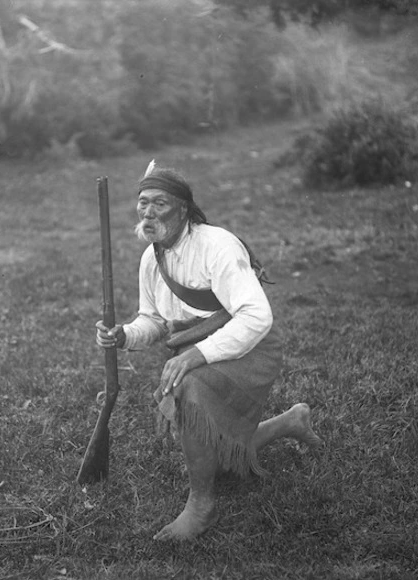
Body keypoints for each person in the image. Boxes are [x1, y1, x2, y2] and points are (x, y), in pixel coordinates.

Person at [95, 164, 322, 542]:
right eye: (143, 204)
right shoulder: (151, 260)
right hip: (199, 347)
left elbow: (256, 317)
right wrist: (123, 336)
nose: (148, 214)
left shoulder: (217, 245)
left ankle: (201, 505)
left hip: (251, 346)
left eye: (160, 204)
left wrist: (196, 354)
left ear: (183, 209)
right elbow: (152, 319)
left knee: (191, 388)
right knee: (218, 458)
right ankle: (291, 422)